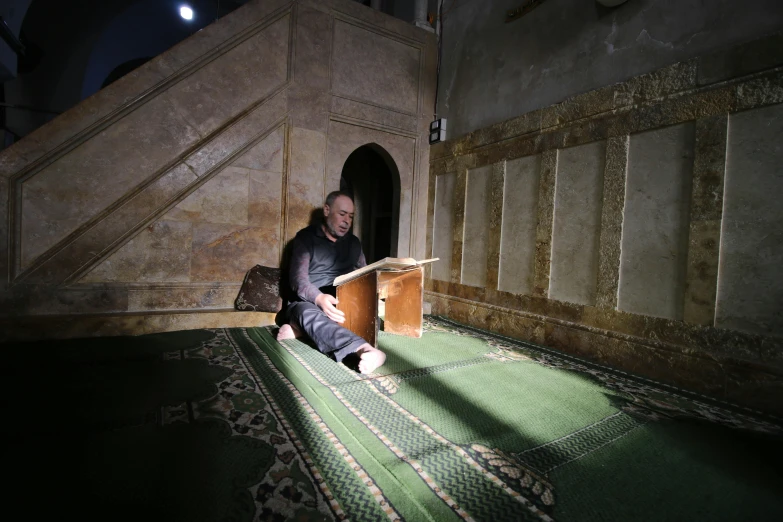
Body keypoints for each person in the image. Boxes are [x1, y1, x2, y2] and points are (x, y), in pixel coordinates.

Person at [276, 191, 386, 374]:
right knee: (306, 314)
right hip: (308, 303)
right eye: (342, 214)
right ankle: (365, 350)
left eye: (350, 216)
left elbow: (365, 274)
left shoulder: (354, 243)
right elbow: (298, 280)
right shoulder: (305, 238)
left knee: (358, 313)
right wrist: (319, 299)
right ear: (327, 210)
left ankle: (302, 331)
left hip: (341, 303)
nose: (347, 221)